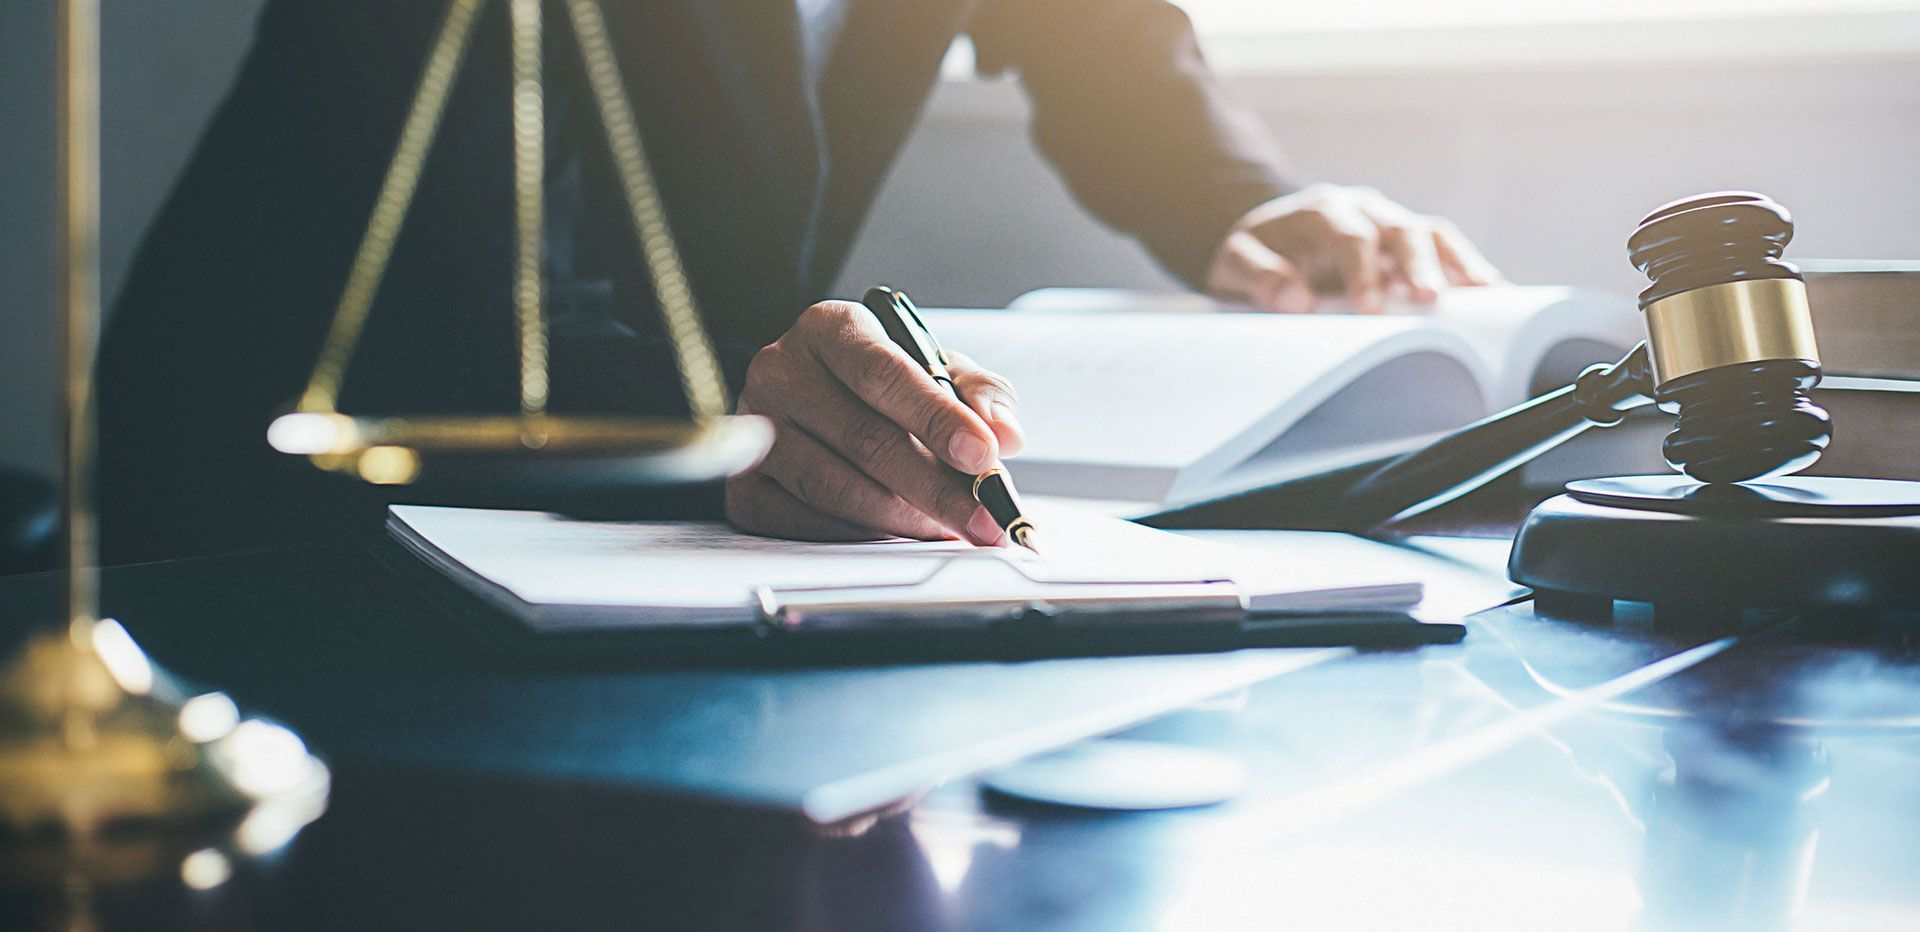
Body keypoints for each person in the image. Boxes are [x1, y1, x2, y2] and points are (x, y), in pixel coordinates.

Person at [98, 0, 1499, 564]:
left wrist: (1249, 205)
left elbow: (1094, 40)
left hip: (659, 534)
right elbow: (454, 295)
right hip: (277, 512)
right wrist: (741, 402)